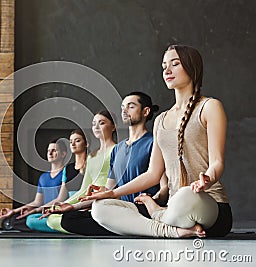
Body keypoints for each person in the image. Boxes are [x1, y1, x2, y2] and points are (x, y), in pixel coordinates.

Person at [82, 45, 232, 238]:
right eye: (164, 66)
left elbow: (217, 162)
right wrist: (111, 193)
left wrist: (207, 179)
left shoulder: (210, 107)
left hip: (206, 205)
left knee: (185, 196)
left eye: (175, 64)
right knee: (100, 208)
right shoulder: (161, 120)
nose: (167, 71)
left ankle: (157, 215)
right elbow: (152, 174)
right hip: (173, 206)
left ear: (192, 67)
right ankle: (174, 231)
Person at [59, 92, 167, 235]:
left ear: (145, 111)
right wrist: (73, 207)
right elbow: (107, 192)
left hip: (143, 209)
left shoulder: (154, 143)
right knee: (69, 219)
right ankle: (127, 228)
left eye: (131, 106)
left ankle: (134, 227)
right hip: (121, 208)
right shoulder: (118, 149)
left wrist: (152, 200)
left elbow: (165, 188)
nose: (124, 110)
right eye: (123, 107)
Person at [45, 110, 117, 233]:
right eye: (94, 123)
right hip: (86, 201)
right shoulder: (91, 156)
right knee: (52, 218)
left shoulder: (116, 150)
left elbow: (113, 187)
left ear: (113, 127)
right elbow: (84, 189)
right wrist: (64, 205)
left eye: (102, 123)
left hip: (103, 201)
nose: (96, 127)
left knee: (67, 220)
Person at [0, 138, 69, 232]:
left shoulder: (66, 172)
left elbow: (60, 199)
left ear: (63, 154)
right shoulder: (43, 177)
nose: (50, 153)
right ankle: (49, 227)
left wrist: (36, 210)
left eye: (54, 150)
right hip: (43, 212)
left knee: (30, 221)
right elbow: (37, 202)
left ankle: (56, 226)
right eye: (48, 151)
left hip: (58, 213)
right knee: (16, 219)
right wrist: (14, 211)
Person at [23, 129, 88, 232]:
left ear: (86, 143)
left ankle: (68, 226)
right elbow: (61, 197)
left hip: (82, 206)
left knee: (65, 220)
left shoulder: (91, 164)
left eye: (77, 141)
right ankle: (65, 226)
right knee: (31, 219)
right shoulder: (68, 169)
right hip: (67, 206)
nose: (73, 144)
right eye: (71, 142)